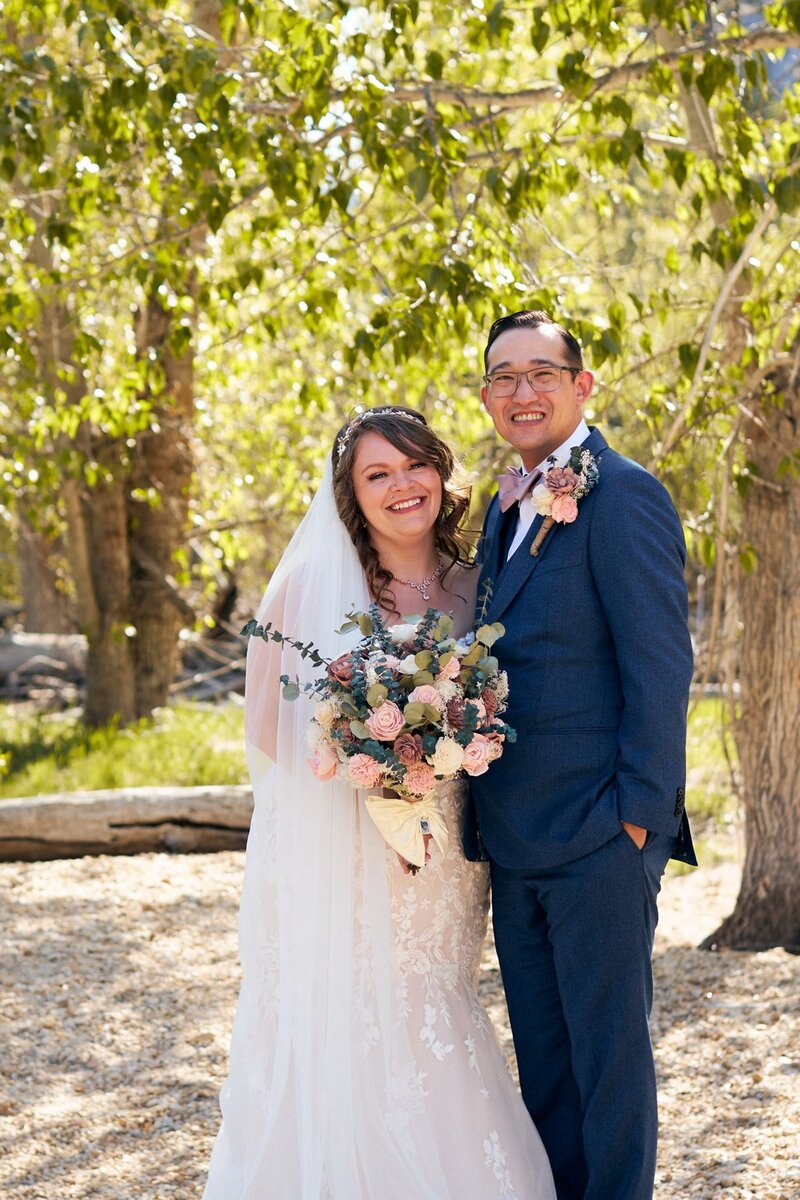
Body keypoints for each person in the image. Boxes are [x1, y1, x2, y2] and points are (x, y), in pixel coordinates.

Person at [203, 406, 556, 1200]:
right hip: (348, 842)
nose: (402, 485)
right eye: (377, 474)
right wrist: (370, 764)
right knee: (352, 1008)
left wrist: (448, 754)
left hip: (446, 855)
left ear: (441, 471)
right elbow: (267, 729)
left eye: (414, 465)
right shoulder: (306, 587)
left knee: (434, 1001)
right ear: (350, 496)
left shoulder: (480, 582)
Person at [465, 311, 697, 1200]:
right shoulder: (505, 505)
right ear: (487, 396)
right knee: (547, 1072)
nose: (521, 392)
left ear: (581, 385)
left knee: (609, 1067)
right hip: (516, 840)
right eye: (503, 378)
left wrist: (637, 816)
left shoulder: (624, 493)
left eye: (541, 373)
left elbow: (660, 664)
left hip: (602, 834)